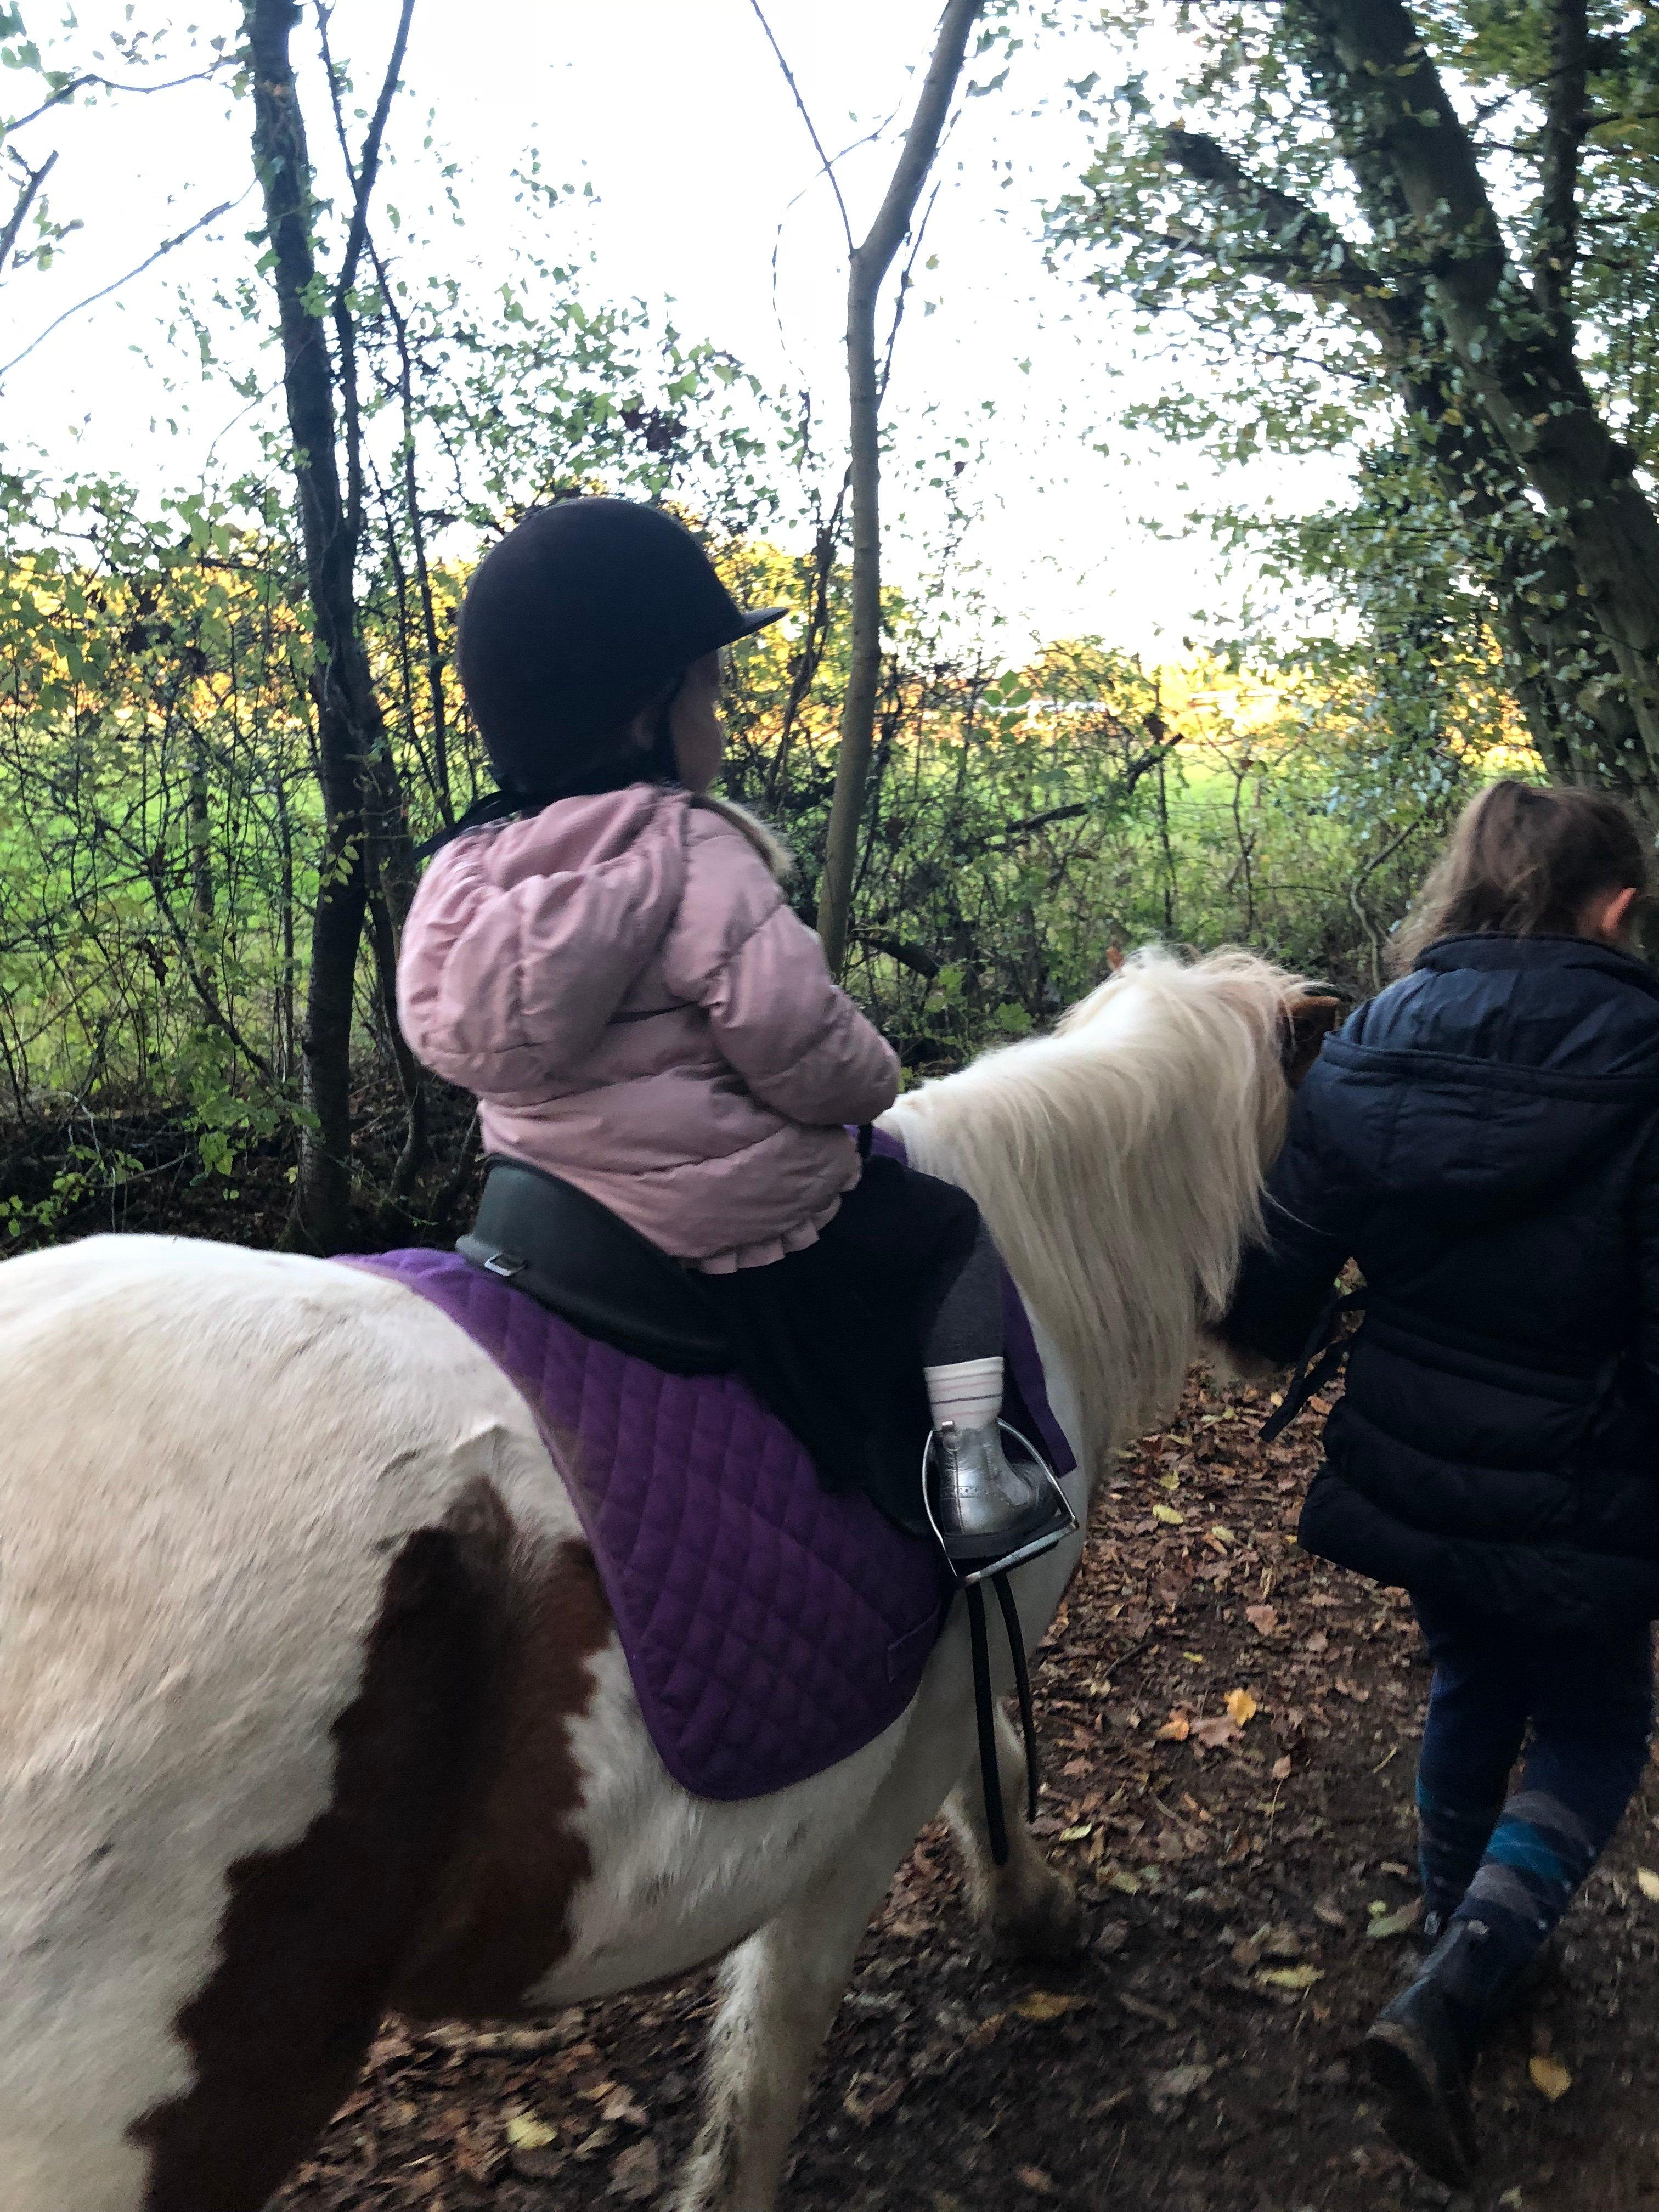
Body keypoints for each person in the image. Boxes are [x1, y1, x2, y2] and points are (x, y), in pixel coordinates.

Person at [397, 495, 1066, 1567]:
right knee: (948, 1233)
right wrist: (873, 1074)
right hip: (720, 1230)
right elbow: (793, 1037)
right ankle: (980, 1485)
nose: (724, 710)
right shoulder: (690, 842)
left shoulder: (464, 867)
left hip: (551, 1220)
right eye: (710, 686)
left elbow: (435, 1029)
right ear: (643, 714)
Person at [1221, 780, 1659, 2190]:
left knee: (1474, 1676)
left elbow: (1270, 1286)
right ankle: (1465, 1975)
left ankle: (1453, 1927)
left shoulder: (1367, 1045)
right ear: (1615, 905)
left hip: (1418, 1456)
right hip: (1597, 1470)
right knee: (1595, 1727)